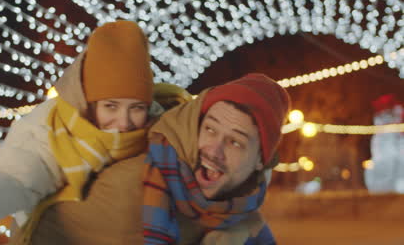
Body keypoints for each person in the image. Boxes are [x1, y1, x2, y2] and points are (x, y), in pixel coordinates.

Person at [0, 20, 189, 244]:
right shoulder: (53, 132)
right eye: (110, 106)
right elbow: (16, 178)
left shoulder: (164, 127)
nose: (124, 122)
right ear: (88, 103)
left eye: (136, 108)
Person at [23, 73, 289, 244]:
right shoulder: (135, 187)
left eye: (235, 142)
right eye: (210, 129)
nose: (214, 150)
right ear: (195, 125)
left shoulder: (241, 204)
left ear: (260, 161)